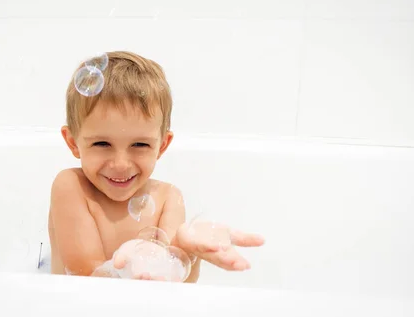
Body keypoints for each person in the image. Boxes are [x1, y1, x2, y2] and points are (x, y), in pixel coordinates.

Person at [48, 51, 264, 282]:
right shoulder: (71, 188)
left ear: (162, 145)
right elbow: (84, 280)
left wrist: (187, 252)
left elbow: (175, 287)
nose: (120, 164)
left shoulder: (167, 199)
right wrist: (122, 266)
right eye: (102, 143)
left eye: (140, 144)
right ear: (73, 142)